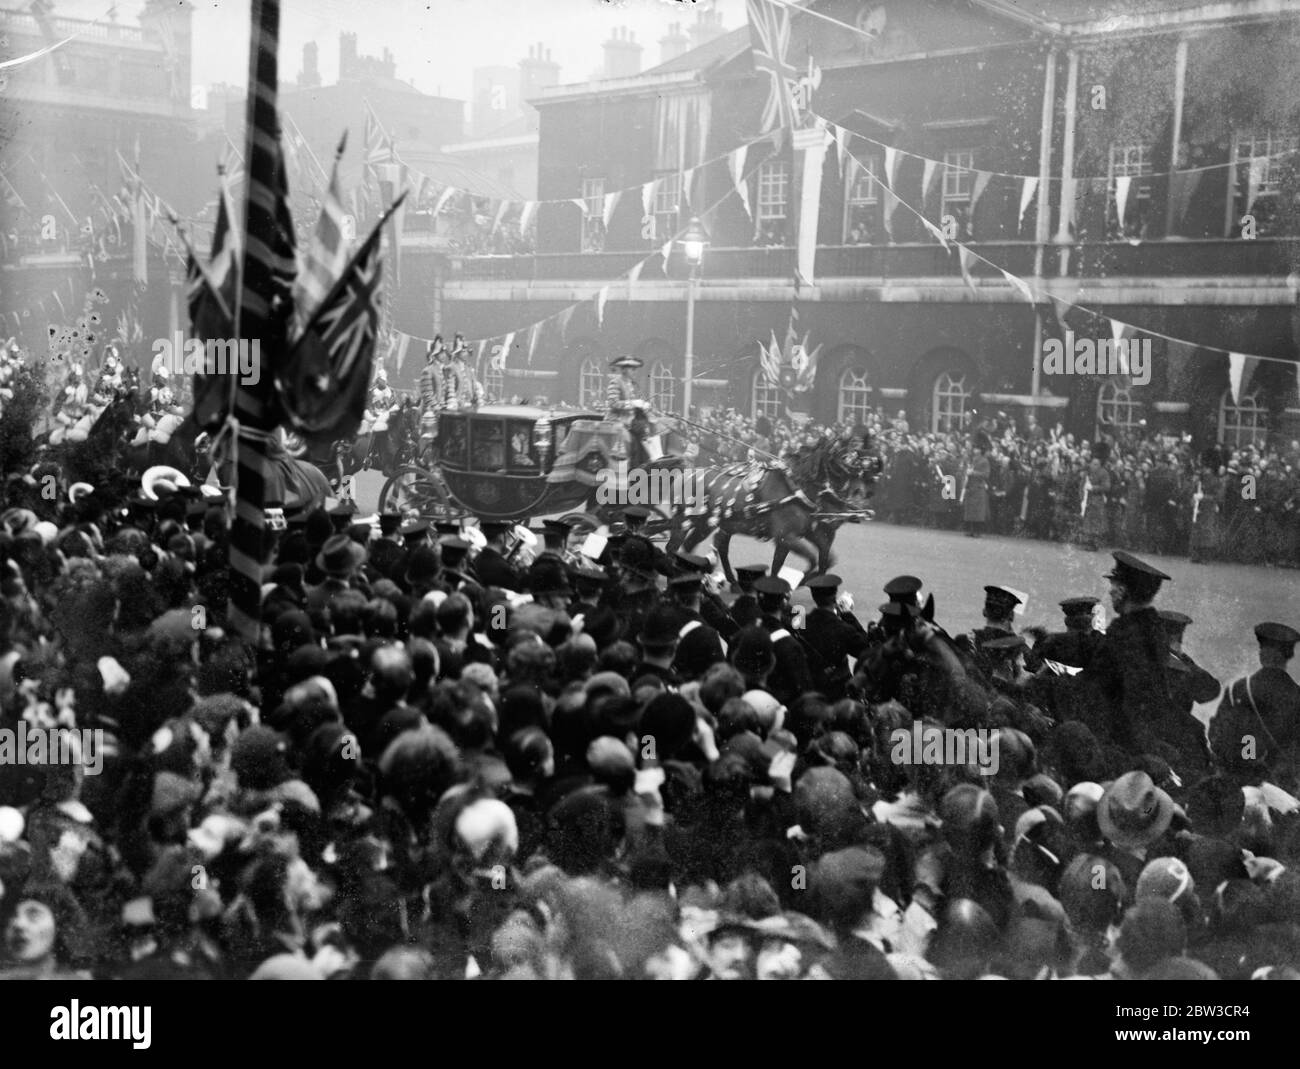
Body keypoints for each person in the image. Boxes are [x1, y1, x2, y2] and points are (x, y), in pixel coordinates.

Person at [1075, 551, 1175, 753]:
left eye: (1115, 586)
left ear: (1125, 591)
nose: (1111, 592)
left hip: (1121, 737)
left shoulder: (1123, 634)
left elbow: (1097, 685)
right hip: (1148, 732)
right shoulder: (1155, 628)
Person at [419, 336, 448, 460]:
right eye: (441, 352)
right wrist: (437, 408)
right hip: (430, 412)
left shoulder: (444, 371)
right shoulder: (428, 370)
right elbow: (427, 394)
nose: (444, 355)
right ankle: (423, 459)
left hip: (442, 411)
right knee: (429, 440)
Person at [961, 433, 991, 538]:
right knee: (970, 511)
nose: (975, 451)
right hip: (971, 487)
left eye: (977, 449)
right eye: (975, 449)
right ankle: (970, 530)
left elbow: (986, 474)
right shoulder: (972, 460)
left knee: (978, 512)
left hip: (978, 487)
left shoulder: (984, 461)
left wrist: (973, 473)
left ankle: (977, 531)